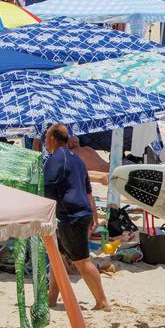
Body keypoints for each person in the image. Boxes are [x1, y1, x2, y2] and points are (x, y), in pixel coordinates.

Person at [43, 123, 110, 311]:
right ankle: (51, 299)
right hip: (80, 213)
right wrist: (94, 215)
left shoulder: (54, 159)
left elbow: (47, 189)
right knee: (59, 258)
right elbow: (88, 190)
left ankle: (102, 301)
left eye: (47, 137)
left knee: (82, 260)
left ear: (52, 139)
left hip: (70, 215)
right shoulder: (77, 159)